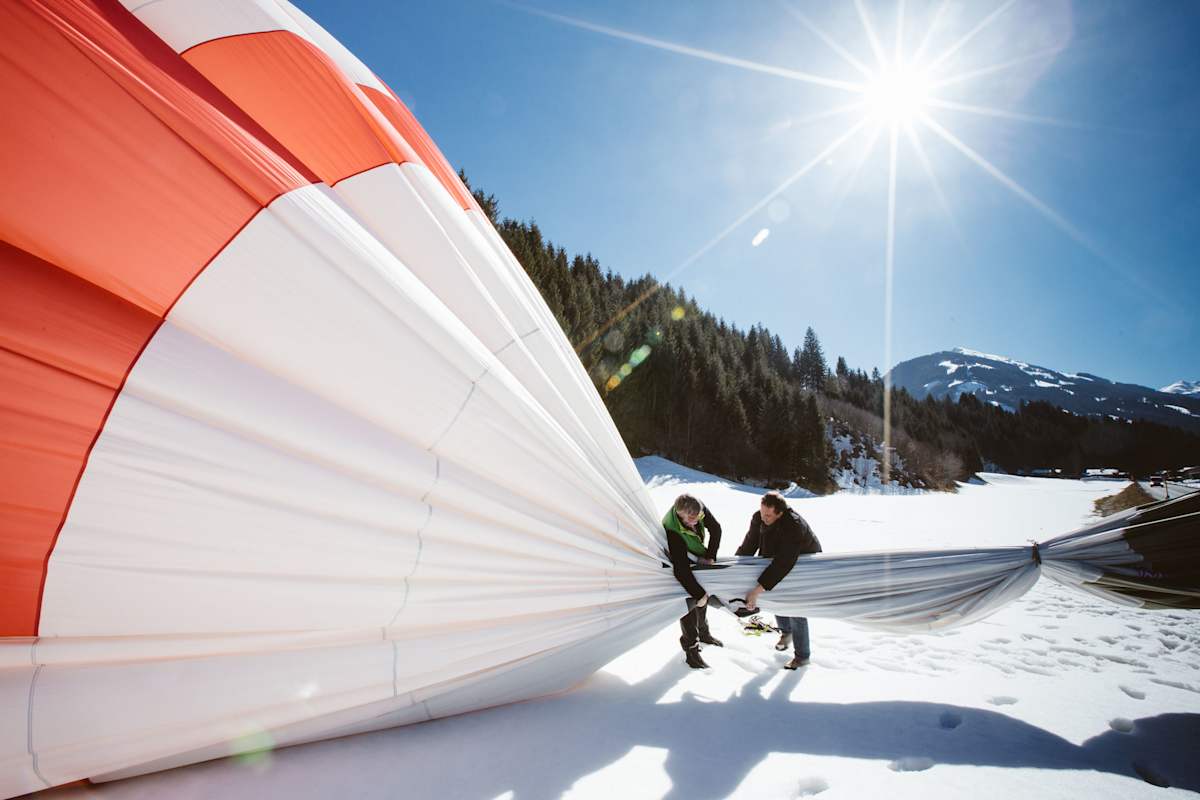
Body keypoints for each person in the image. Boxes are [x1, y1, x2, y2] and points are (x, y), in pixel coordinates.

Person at [735, 490, 822, 669]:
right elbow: (750, 543)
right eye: (762, 512)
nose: (763, 517)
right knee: (775, 596)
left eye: (768, 515)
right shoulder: (759, 517)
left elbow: (784, 563)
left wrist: (757, 590)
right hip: (777, 556)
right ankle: (786, 633)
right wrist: (735, 570)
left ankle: (802, 656)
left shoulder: (794, 525)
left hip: (803, 561)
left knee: (795, 606)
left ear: (780, 513)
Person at [663, 493, 723, 669]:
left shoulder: (698, 508)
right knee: (689, 601)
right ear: (680, 514)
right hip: (680, 563)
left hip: (697, 553)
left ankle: (704, 634)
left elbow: (716, 529)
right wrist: (698, 594)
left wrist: (711, 555)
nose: (696, 522)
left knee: (704, 593)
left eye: (698, 518)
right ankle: (691, 651)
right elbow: (681, 571)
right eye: (691, 520)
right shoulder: (672, 530)